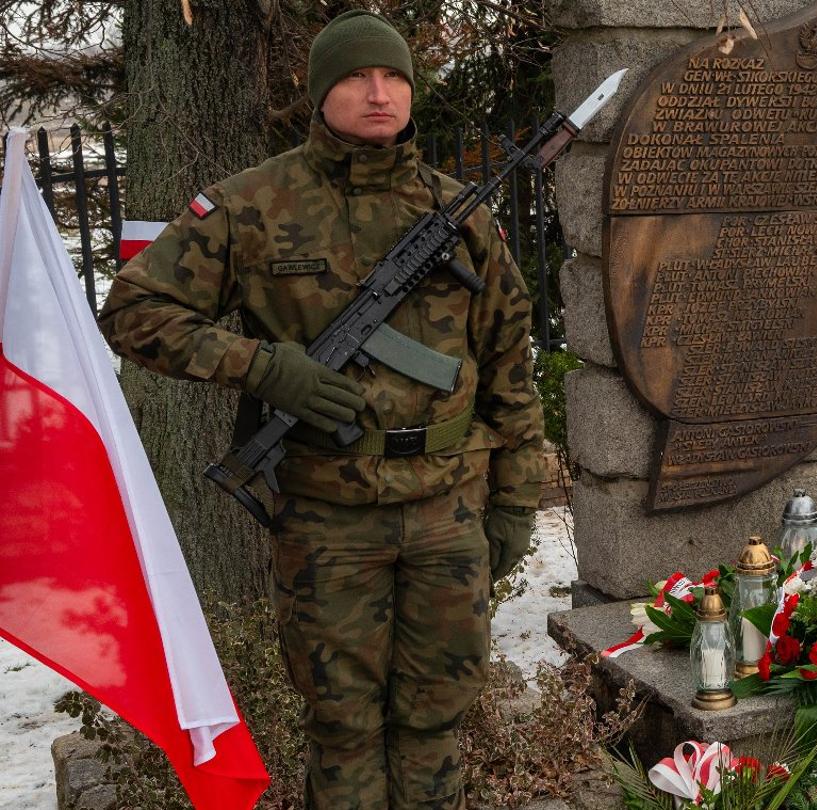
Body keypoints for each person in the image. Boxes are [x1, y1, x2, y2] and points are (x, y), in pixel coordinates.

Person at [98, 10, 543, 807]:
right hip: (329, 517)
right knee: (340, 725)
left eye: (395, 77)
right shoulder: (250, 205)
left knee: (437, 717)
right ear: (320, 92)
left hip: (449, 508)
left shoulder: (460, 216)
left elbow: (510, 363)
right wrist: (265, 368)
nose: (379, 94)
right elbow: (135, 311)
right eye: (356, 77)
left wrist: (515, 501)